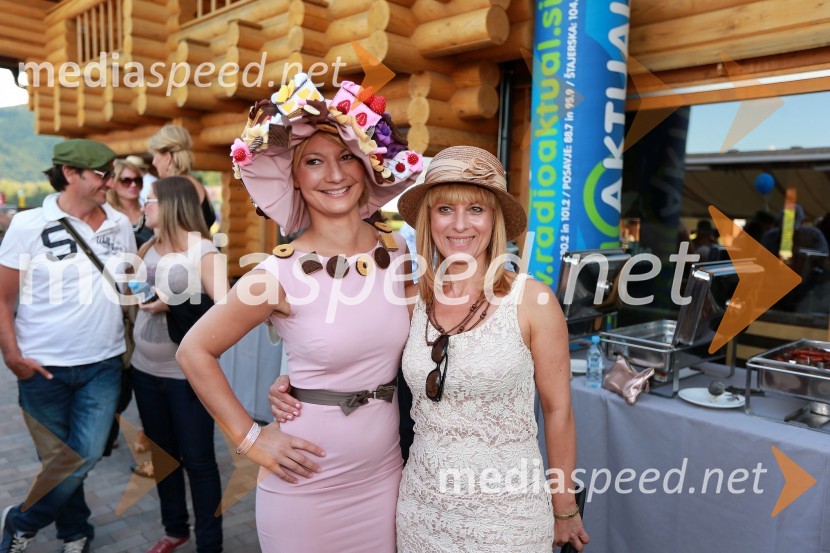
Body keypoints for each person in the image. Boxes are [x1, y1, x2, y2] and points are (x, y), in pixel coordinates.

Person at [271, 147, 590, 551]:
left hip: (508, 517)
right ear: (429, 219)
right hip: (421, 511)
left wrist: (564, 505)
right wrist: (295, 389)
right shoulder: (411, 297)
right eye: (444, 210)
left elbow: (558, 410)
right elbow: (354, 350)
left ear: (494, 219)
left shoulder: (533, 301)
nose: (460, 224)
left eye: (476, 209)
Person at [175, 74, 423, 552]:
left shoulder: (399, 253)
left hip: (386, 480)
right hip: (306, 486)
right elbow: (194, 351)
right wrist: (249, 438)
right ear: (294, 177)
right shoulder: (276, 274)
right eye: (314, 161)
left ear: (367, 166)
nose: (334, 175)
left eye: (346, 156)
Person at [0, 139, 136, 553]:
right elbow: (3, 298)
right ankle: (75, 532)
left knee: (85, 454)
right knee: (61, 461)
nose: (110, 183)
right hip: (42, 368)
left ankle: (20, 522)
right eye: (102, 175)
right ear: (71, 174)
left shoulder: (121, 224)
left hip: (103, 364)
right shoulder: (27, 226)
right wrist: (12, 356)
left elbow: (129, 286)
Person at [129, 176, 227, 553]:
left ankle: (210, 544)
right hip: (144, 370)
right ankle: (175, 529)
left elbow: (227, 312)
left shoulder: (203, 251)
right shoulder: (147, 246)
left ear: (170, 204)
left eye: (149, 199)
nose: (144, 206)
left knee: (199, 462)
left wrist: (172, 303)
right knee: (163, 456)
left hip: (185, 376)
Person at [147, 125, 216, 230]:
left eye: (155, 156)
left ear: (168, 157)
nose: (153, 162)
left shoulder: (169, 189)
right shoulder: (198, 186)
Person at [107, 157, 154, 248]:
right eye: (126, 181)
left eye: (137, 180)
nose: (134, 185)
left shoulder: (149, 211)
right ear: (113, 183)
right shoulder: (107, 215)